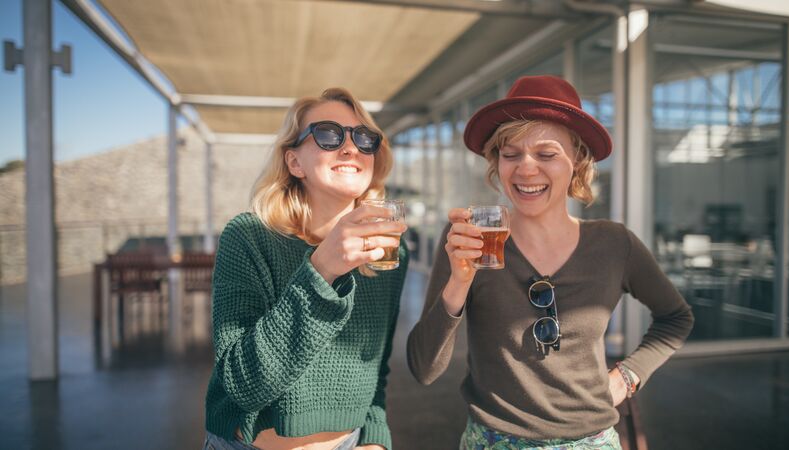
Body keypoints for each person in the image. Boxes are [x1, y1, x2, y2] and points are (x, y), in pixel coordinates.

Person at [406, 75, 694, 449]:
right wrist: (458, 284)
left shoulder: (612, 243)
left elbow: (676, 317)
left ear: (577, 161)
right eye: (510, 154)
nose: (526, 169)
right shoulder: (471, 238)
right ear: (497, 163)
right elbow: (424, 368)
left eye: (546, 154)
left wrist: (627, 376)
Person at [204, 87, 408, 450]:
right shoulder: (249, 237)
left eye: (364, 138)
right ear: (294, 162)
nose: (351, 148)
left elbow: (375, 371)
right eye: (329, 134)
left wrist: (376, 439)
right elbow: (242, 384)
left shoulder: (388, 251)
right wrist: (321, 270)